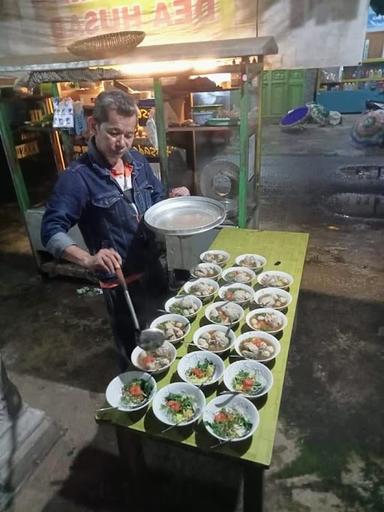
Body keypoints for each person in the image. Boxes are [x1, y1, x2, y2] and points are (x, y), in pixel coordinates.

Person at [41, 90, 168, 370]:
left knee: (162, 340)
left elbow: (157, 201)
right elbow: (51, 231)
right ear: (93, 126)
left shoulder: (137, 162)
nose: (122, 143)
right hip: (122, 283)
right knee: (133, 353)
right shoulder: (77, 178)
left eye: (129, 134)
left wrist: (175, 200)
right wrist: (87, 259)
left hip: (153, 269)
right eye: (113, 133)